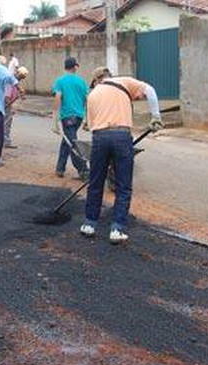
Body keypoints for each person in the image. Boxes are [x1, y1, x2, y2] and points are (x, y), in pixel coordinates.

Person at [80, 66, 163, 244]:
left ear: (96, 81)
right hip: (121, 136)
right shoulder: (123, 81)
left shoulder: (92, 95)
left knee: (95, 183)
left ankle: (89, 224)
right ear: (109, 76)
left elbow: (90, 125)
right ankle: (117, 229)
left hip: (100, 138)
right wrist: (156, 116)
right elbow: (150, 90)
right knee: (123, 185)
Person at [50, 57, 89, 181]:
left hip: (67, 117)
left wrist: (55, 118)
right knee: (67, 141)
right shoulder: (81, 81)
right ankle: (60, 168)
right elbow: (88, 99)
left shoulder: (60, 81)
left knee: (72, 143)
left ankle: (83, 170)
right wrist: (87, 118)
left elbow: (58, 97)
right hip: (78, 117)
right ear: (75, 67)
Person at [3, 66, 28, 149]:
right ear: (17, 73)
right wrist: (9, 106)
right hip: (5, 103)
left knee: (7, 122)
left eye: (22, 78)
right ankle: (5, 141)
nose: (21, 79)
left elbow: (18, 91)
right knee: (6, 122)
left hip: (9, 103)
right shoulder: (10, 80)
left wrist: (21, 95)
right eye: (21, 77)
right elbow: (7, 95)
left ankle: (5, 140)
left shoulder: (16, 81)